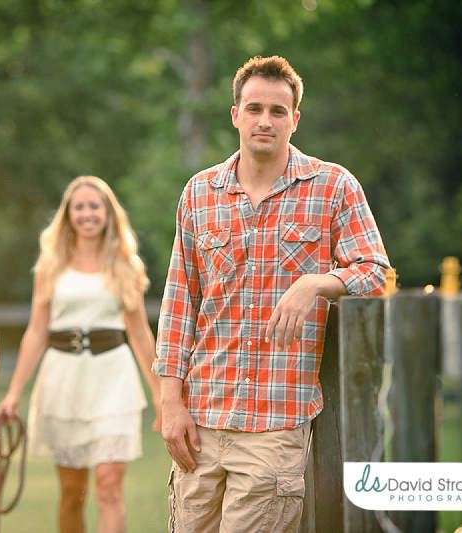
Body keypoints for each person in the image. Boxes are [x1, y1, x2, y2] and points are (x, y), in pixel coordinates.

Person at [153, 55, 390, 532]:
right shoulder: (199, 193)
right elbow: (180, 302)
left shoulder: (332, 187)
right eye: (255, 108)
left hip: (275, 424)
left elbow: (375, 272)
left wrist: (315, 282)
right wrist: (171, 402)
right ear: (235, 114)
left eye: (278, 111)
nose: (265, 120)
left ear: (294, 120)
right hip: (201, 421)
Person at [0, 175, 161, 533]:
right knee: (72, 492)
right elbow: (36, 331)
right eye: (80, 207)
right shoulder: (50, 266)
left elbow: (140, 333)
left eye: (94, 206)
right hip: (63, 381)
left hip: (113, 379)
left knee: (109, 486)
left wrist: (161, 394)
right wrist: (12, 393)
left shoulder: (125, 265)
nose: (87, 214)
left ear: (108, 213)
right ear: (68, 215)